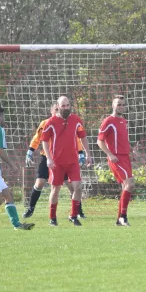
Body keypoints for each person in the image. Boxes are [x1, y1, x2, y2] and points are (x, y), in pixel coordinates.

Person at [23, 103, 87, 219]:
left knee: (72, 185)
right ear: (51, 111)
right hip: (47, 158)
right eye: (56, 109)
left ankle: (78, 211)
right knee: (40, 183)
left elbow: (76, 139)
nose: (59, 111)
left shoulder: (68, 122)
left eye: (60, 109)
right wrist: (30, 151)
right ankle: (30, 209)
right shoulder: (46, 123)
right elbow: (37, 138)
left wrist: (81, 153)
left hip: (63, 159)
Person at [41, 96, 93, 227]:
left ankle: (73, 215)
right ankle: (52, 218)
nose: (66, 108)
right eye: (63, 106)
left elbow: (83, 137)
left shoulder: (76, 120)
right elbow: (44, 141)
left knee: (78, 187)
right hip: (57, 162)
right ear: (58, 106)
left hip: (73, 162)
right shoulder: (51, 122)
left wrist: (88, 154)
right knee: (55, 190)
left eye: (68, 105)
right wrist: (48, 158)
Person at [97, 95, 134, 226]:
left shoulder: (124, 121)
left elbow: (122, 139)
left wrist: (131, 150)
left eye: (123, 104)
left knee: (126, 186)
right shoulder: (108, 121)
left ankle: (120, 219)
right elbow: (99, 141)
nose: (121, 106)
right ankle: (123, 217)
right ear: (113, 105)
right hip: (116, 158)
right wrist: (110, 154)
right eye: (119, 104)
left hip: (125, 157)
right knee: (130, 184)